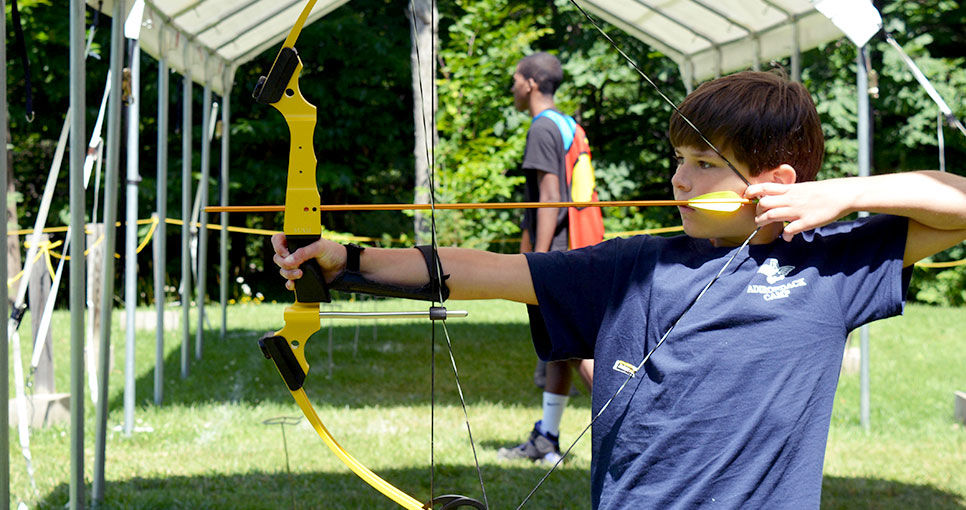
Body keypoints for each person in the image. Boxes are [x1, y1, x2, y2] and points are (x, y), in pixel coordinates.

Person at [272, 70, 966, 508]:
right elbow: (485, 270)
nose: (681, 179)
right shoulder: (632, 266)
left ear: (777, 181)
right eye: (678, 159)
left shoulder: (832, 268)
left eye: (705, 163)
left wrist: (847, 194)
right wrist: (346, 258)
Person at [499, 51, 595, 464]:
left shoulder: (542, 127)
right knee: (561, 348)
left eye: (516, 79)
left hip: (557, 253)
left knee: (576, 350)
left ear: (532, 83)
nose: (513, 87)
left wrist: (538, 263)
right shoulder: (568, 123)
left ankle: (639, 422)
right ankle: (547, 440)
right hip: (578, 246)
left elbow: (550, 197)